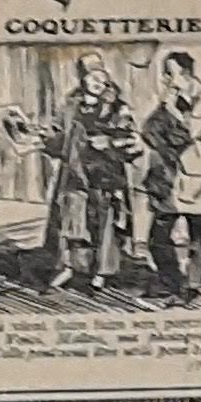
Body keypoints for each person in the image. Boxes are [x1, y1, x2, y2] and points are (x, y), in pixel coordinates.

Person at [40, 52, 140, 292]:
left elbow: (132, 141)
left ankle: (101, 272)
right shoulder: (70, 105)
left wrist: (110, 143)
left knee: (105, 225)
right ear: (82, 79)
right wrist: (43, 138)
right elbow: (57, 138)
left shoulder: (118, 108)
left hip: (106, 176)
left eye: (100, 77)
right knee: (71, 220)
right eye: (91, 77)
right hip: (75, 175)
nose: (97, 82)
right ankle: (68, 267)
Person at [141, 48, 201, 298]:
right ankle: (169, 279)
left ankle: (193, 284)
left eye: (171, 73)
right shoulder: (170, 101)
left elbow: (183, 135)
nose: (166, 79)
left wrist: (168, 112)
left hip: (197, 178)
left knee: (197, 236)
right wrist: (165, 110)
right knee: (158, 237)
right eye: (165, 74)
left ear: (186, 74)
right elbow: (148, 131)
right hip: (169, 179)